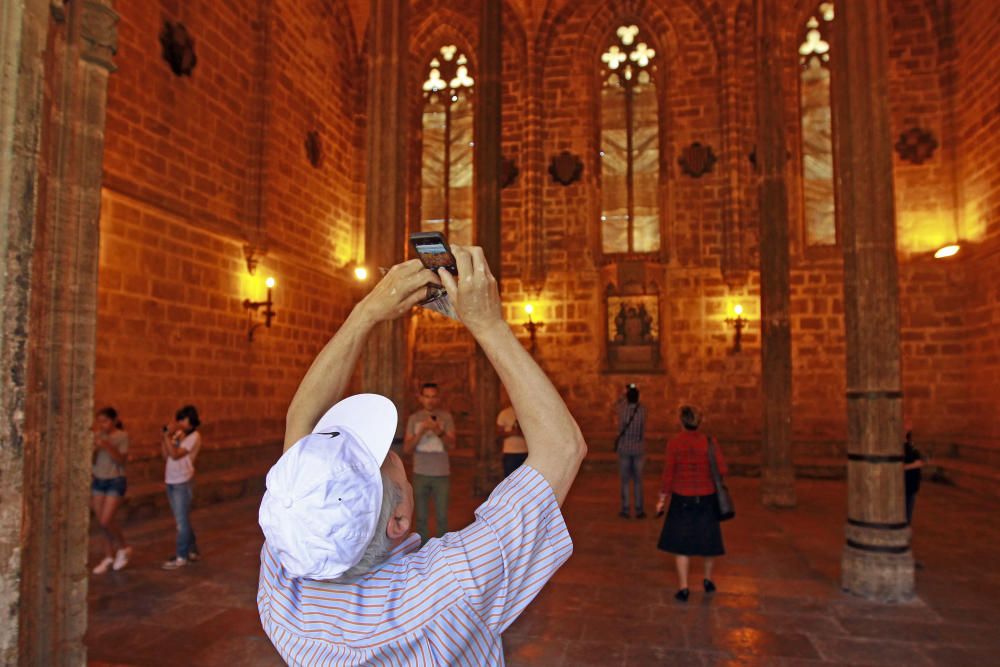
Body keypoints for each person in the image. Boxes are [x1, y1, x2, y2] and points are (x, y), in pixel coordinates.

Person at [257, 247, 587, 665]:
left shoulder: (284, 580)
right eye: (382, 458)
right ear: (398, 521)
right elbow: (562, 448)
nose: (391, 452)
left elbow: (301, 427)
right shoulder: (447, 586)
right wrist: (488, 325)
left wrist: (366, 313)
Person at [655, 406, 728, 602]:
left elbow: (668, 474)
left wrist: (662, 499)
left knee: (681, 544)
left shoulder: (675, 443)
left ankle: (684, 587)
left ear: (681, 422)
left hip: (682, 498)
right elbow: (722, 469)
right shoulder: (710, 442)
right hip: (706, 497)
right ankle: (707, 580)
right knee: (709, 542)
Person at [403, 382, 456, 541]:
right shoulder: (414, 419)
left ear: (438, 398)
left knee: (442, 517)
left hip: (441, 473)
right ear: (421, 398)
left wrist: (438, 430)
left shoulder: (446, 417)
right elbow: (407, 448)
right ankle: (422, 552)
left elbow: (452, 445)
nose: (430, 400)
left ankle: (442, 553)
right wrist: (421, 431)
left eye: (434, 397)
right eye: (427, 397)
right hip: (420, 472)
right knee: (420, 517)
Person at [91, 407, 132, 574]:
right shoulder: (98, 436)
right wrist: (95, 448)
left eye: (105, 421)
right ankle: (108, 556)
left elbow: (122, 460)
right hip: (98, 480)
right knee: (101, 523)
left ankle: (123, 547)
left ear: (114, 420)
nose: (102, 425)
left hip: (115, 480)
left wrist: (107, 445)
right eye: (99, 421)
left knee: (106, 520)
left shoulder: (122, 436)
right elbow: (93, 460)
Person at [161, 404, 202, 570]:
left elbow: (176, 455)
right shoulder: (179, 434)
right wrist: (166, 437)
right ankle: (193, 550)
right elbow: (166, 455)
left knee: (181, 522)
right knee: (182, 518)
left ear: (190, 420)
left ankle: (181, 556)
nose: (179, 422)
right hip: (171, 479)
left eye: (182, 419)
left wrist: (166, 436)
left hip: (182, 481)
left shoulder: (195, 436)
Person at [614, 383, 647, 518]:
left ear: (627, 397)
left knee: (625, 481)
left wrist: (623, 395)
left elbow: (616, 404)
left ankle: (626, 509)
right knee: (638, 480)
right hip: (639, 449)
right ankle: (639, 510)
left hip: (624, 449)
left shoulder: (622, 409)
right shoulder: (643, 410)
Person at [497, 390, 528, 478]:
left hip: (525, 452)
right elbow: (499, 433)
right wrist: (512, 433)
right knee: (509, 479)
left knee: (523, 480)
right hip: (510, 452)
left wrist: (520, 433)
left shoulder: (527, 413)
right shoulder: (504, 414)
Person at [903, 422, 924, 526]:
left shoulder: (910, 445)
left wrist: (918, 463)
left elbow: (918, 458)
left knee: (909, 510)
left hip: (911, 484)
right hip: (905, 484)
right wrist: (915, 464)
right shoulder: (899, 447)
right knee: (905, 512)